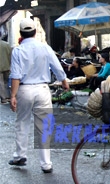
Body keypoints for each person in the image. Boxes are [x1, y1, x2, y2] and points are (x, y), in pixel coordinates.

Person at [8, 18, 69, 173]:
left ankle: (19, 156)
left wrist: (13, 95)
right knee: (44, 127)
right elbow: (57, 66)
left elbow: (15, 75)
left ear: (21, 34)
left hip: (24, 90)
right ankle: (46, 163)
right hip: (42, 90)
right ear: (35, 32)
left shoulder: (18, 50)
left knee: (22, 123)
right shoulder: (45, 47)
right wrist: (64, 81)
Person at [0, 37, 12, 104]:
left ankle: (3, 98)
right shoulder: (6, 45)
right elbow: (10, 55)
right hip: (6, 66)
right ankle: (8, 96)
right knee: (6, 82)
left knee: (0, 83)